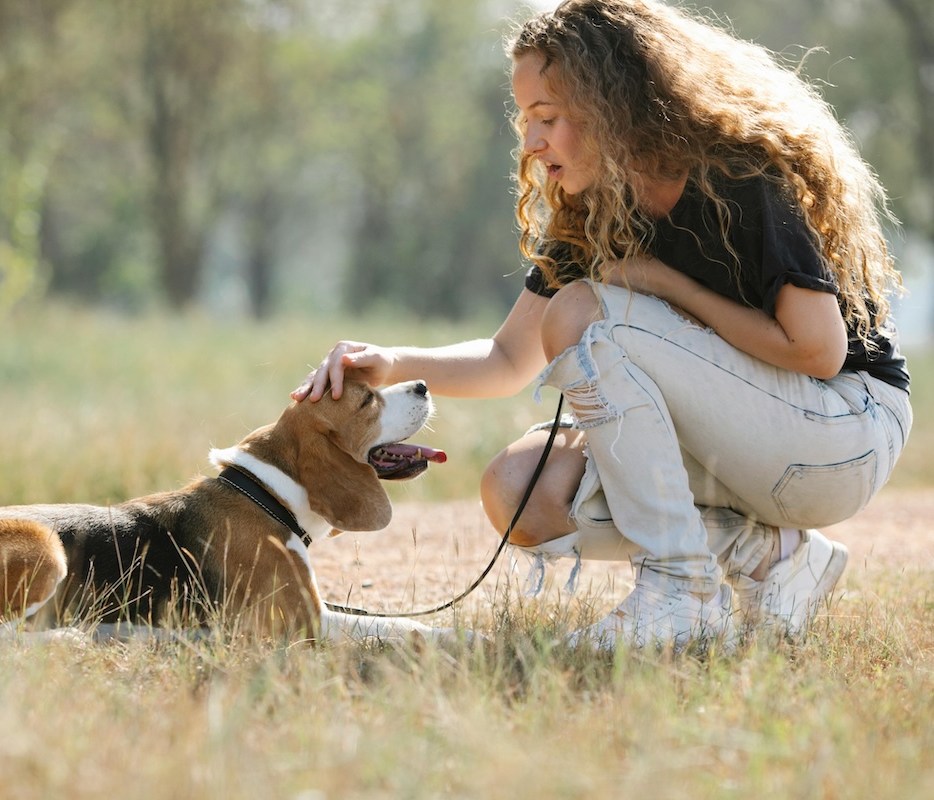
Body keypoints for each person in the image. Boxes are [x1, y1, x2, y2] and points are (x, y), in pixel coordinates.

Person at [291, 0, 911, 650]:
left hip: (842, 436)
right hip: (747, 448)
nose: (531, 143)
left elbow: (816, 350)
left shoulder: (739, 175)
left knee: (585, 310)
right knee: (521, 491)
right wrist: (391, 363)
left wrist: (662, 282)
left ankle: (682, 595)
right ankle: (772, 558)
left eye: (547, 119)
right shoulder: (594, 209)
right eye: (526, 120)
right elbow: (507, 361)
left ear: (611, 106)